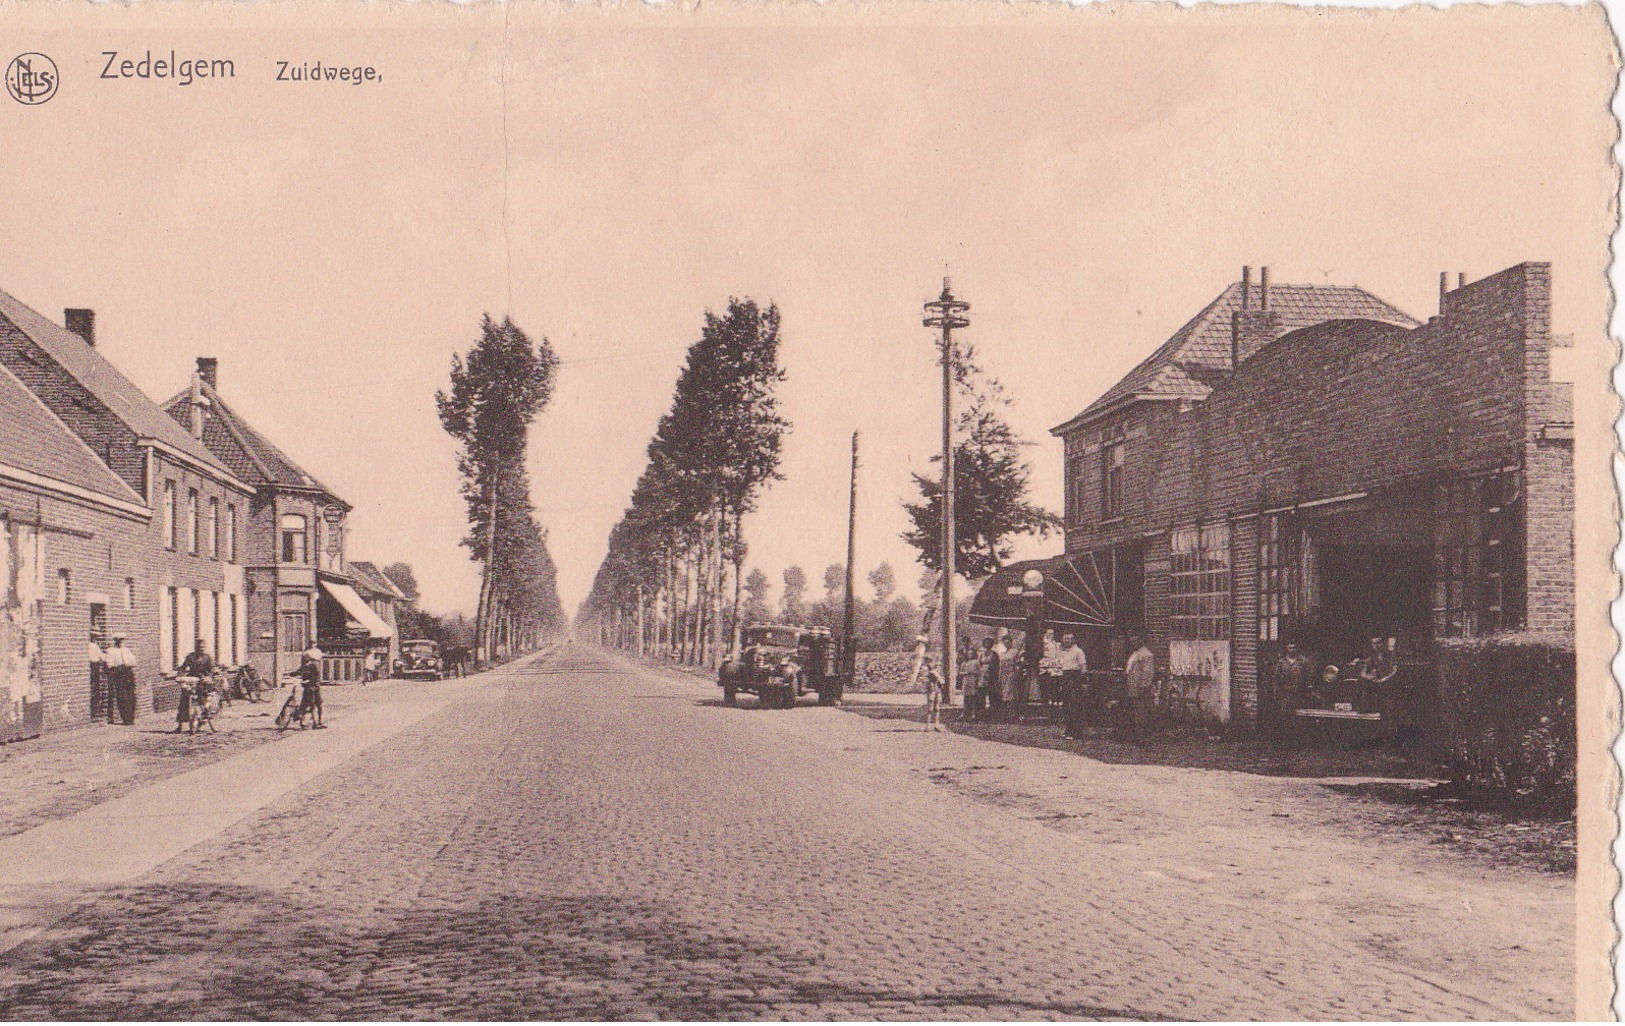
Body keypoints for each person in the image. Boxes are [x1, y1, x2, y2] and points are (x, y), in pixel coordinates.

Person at [1271, 642, 1315, 740]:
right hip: (1285, 694)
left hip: (1299, 693)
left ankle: (1298, 739)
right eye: (1290, 648)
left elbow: (1309, 677)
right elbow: (1276, 678)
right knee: (1284, 716)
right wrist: (1276, 691)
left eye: (1294, 648)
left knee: (1298, 717)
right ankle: (1285, 739)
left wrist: (1308, 689)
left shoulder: (1303, 662)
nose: (1292, 650)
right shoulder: (1282, 662)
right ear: (1286, 649)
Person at [1116, 634, 1156, 740]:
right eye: (1132, 641)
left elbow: (1147, 673)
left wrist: (1143, 686)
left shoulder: (1146, 654)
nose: (1133, 643)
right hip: (1131, 686)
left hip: (1139, 687)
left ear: (1141, 641)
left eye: (1136, 641)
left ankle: (1141, 736)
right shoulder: (1134, 653)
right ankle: (1132, 734)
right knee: (1132, 710)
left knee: (1140, 711)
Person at [175, 639, 215, 733]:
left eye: (203, 648)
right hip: (192, 679)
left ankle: (205, 715)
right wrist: (179, 675)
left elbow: (211, 670)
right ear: (196, 648)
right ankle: (180, 724)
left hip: (203, 680)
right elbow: (183, 667)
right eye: (199, 648)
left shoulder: (207, 657)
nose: (201, 650)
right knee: (184, 699)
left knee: (205, 698)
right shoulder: (190, 657)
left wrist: (208, 677)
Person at [1056, 632, 1090, 737]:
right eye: (1065, 639)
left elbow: (1083, 667)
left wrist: (1082, 681)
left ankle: (1076, 731)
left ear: (1074, 640)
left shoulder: (1078, 651)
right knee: (1066, 705)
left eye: (1069, 639)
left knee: (1074, 705)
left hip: (1074, 678)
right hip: (1065, 677)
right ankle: (1068, 730)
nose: (1067, 641)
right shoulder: (1064, 652)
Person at [104, 634, 138, 725]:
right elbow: (109, 664)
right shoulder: (111, 651)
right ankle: (125, 718)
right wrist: (116, 668)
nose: (120, 642)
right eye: (119, 640)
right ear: (115, 641)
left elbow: (133, 662)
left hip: (128, 673)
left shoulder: (127, 651)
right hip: (118, 674)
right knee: (122, 696)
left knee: (131, 695)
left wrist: (127, 663)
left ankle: (131, 717)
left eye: (122, 640)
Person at [298, 650, 325, 728]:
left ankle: (317, 722)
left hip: (312, 687)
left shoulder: (312, 666)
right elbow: (299, 672)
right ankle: (316, 722)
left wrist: (309, 681)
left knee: (314, 705)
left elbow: (316, 677)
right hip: (311, 687)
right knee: (315, 705)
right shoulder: (307, 666)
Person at [980, 637, 1002, 722]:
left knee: (992, 696)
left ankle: (993, 715)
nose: (987, 645)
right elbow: (980, 664)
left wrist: (994, 677)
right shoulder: (982, 654)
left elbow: (996, 667)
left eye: (988, 643)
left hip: (991, 677)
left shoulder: (994, 654)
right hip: (982, 677)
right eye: (985, 643)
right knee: (982, 696)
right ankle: (983, 715)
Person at [88, 632, 107, 723]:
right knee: (95, 689)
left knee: (94, 689)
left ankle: (94, 712)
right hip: (94, 667)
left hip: (93, 666)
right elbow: (101, 656)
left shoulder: (92, 645)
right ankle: (94, 713)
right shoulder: (92, 645)